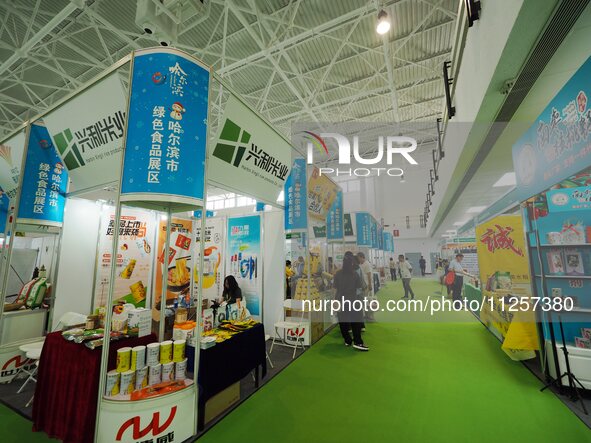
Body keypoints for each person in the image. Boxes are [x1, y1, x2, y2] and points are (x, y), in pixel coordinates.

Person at [334, 253, 368, 351]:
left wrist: (335, 301)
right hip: (353, 300)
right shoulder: (354, 274)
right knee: (356, 322)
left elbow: (334, 289)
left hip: (340, 300)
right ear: (352, 263)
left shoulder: (338, 274)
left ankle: (347, 340)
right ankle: (358, 342)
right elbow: (360, 288)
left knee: (343, 321)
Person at [356, 252, 374, 321]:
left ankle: (370, 316)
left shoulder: (367, 264)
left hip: (366, 285)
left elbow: (369, 275)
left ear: (361, 257)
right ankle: (367, 315)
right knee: (365, 301)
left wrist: (369, 285)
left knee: (368, 301)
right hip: (363, 286)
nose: (358, 259)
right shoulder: (361, 264)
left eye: (358, 258)